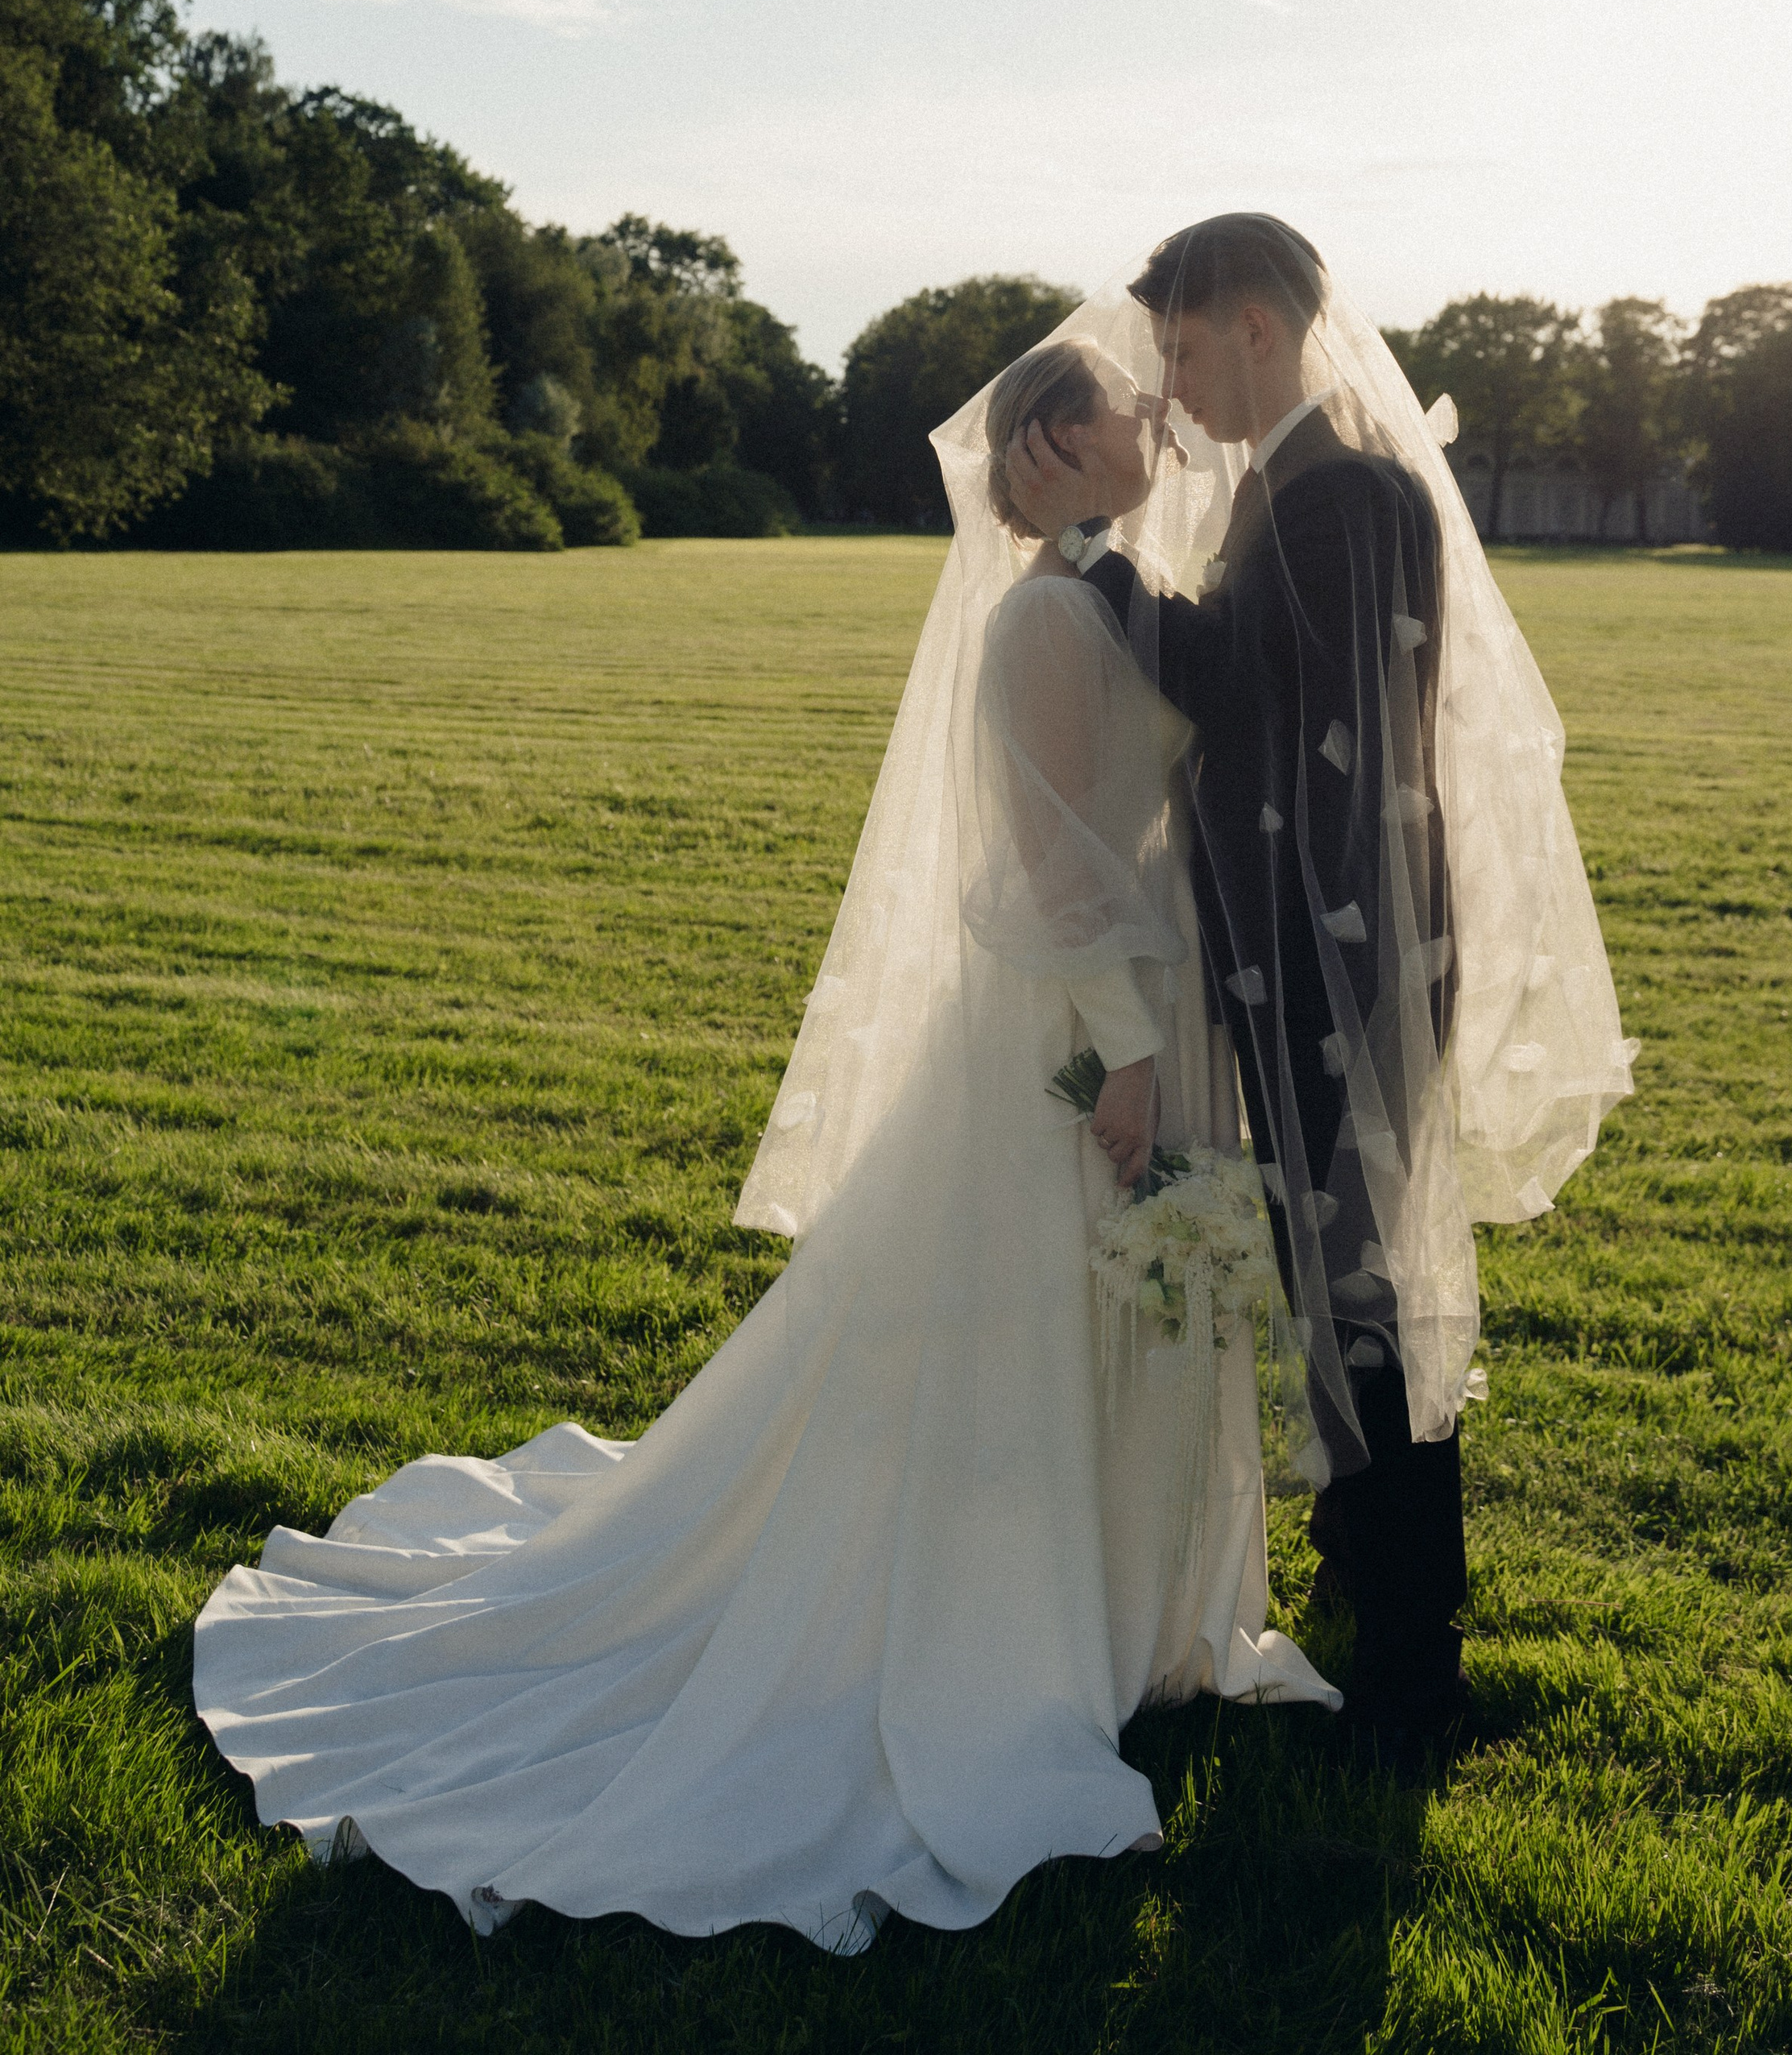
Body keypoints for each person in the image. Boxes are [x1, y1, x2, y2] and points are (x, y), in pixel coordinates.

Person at [190, 332, 1333, 1958]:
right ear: (1040, 452)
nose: (1158, 425)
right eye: (1121, 410)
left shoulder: (1123, 598)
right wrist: (1135, 1057)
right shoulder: (1043, 616)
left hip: (1143, 1010)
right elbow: (1045, 870)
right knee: (1024, 1327)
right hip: (1079, 1036)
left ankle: (1104, 1620)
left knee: (1105, 1325)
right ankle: (992, 1637)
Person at [1008, 214, 1637, 1770]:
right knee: (1343, 1289)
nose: (1172, 383)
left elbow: (1303, 736)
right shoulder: (1312, 476)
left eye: (1183, 347)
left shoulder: (1336, 488)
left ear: (1256, 327)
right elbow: (1267, 700)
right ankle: (1371, 1586)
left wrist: (1098, 574)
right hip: (1322, 952)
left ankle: (1419, 1674)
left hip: (1336, 961)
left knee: (1371, 1307)